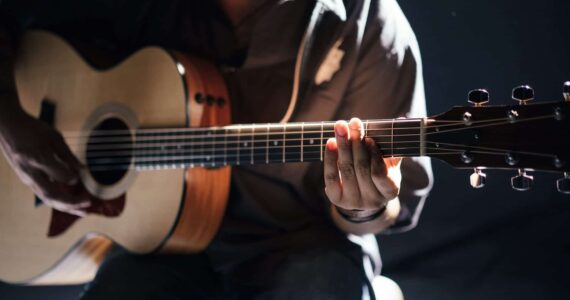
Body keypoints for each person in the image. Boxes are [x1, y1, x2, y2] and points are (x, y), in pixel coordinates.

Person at [0, 0, 432, 299]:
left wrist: (363, 205)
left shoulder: (370, 24)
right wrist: (11, 122)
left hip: (301, 244)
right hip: (158, 247)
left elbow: (386, 210)